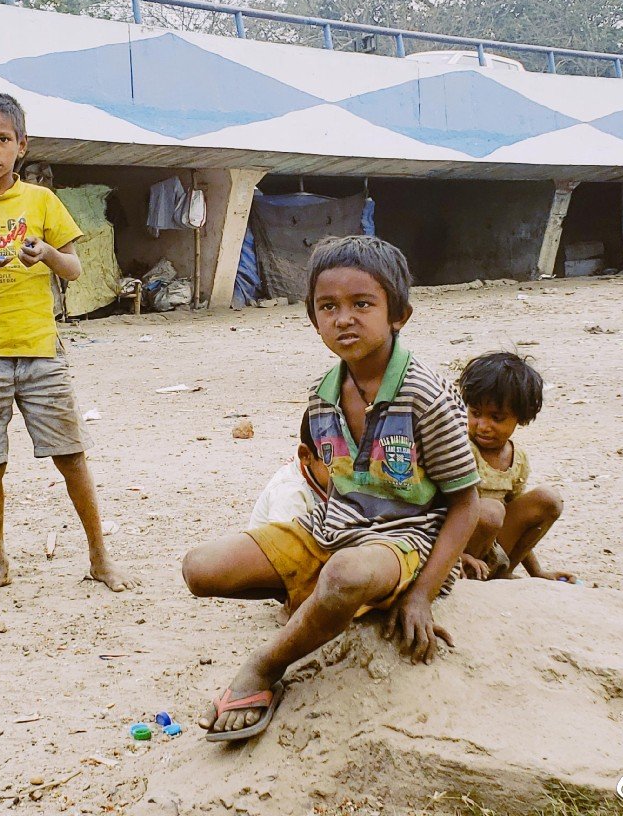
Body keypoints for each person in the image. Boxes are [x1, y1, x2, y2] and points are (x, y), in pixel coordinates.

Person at [182, 236, 481, 742]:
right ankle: (331, 598)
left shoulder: (425, 395)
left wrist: (423, 595)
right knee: (200, 568)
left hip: (403, 542)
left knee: (345, 576)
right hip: (333, 533)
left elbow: (465, 504)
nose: (344, 318)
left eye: (362, 304)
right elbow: (335, 485)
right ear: (313, 318)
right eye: (328, 307)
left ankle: (266, 665)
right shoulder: (322, 397)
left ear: (398, 315)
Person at [0, 92, 136, 597]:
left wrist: (46, 256)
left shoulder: (41, 202)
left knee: (71, 456)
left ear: (22, 146)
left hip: (42, 352)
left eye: (3, 140)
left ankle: (100, 558)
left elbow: (75, 267)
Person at [456, 352, 574, 583]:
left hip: (493, 548)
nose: (483, 426)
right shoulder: (460, 448)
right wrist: (456, 554)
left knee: (548, 499)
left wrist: (537, 573)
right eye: (475, 413)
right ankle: (459, 567)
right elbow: (438, 509)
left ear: (521, 418)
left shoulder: (516, 458)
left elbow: (521, 519)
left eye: (497, 418)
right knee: (490, 511)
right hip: (457, 547)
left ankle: (505, 570)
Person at [246, 412, 331, 529]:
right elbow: (288, 544)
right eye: (335, 463)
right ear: (305, 455)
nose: (347, 470)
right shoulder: (289, 492)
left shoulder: (319, 473)